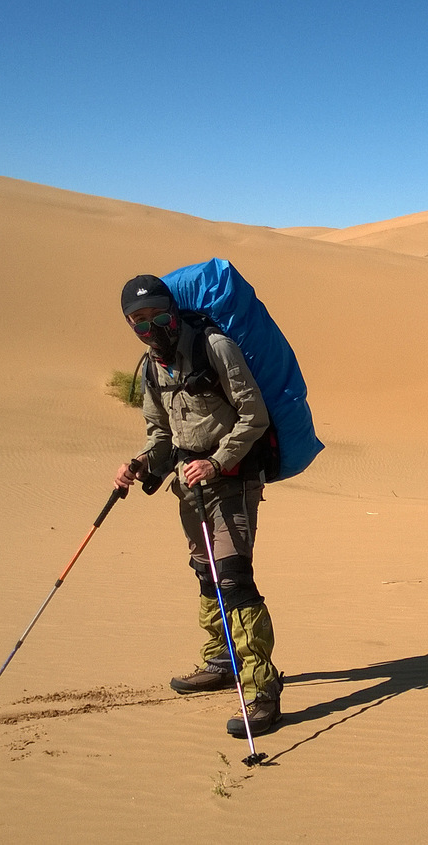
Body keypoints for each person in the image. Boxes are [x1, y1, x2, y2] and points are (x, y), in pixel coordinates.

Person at [113, 273, 283, 737]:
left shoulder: (216, 347)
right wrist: (142, 466)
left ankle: (263, 691)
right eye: (138, 320)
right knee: (206, 573)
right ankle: (220, 662)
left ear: (173, 308)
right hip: (190, 489)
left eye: (157, 315)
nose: (150, 327)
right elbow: (162, 436)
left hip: (233, 481)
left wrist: (218, 461)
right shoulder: (151, 367)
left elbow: (254, 415)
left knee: (234, 578)